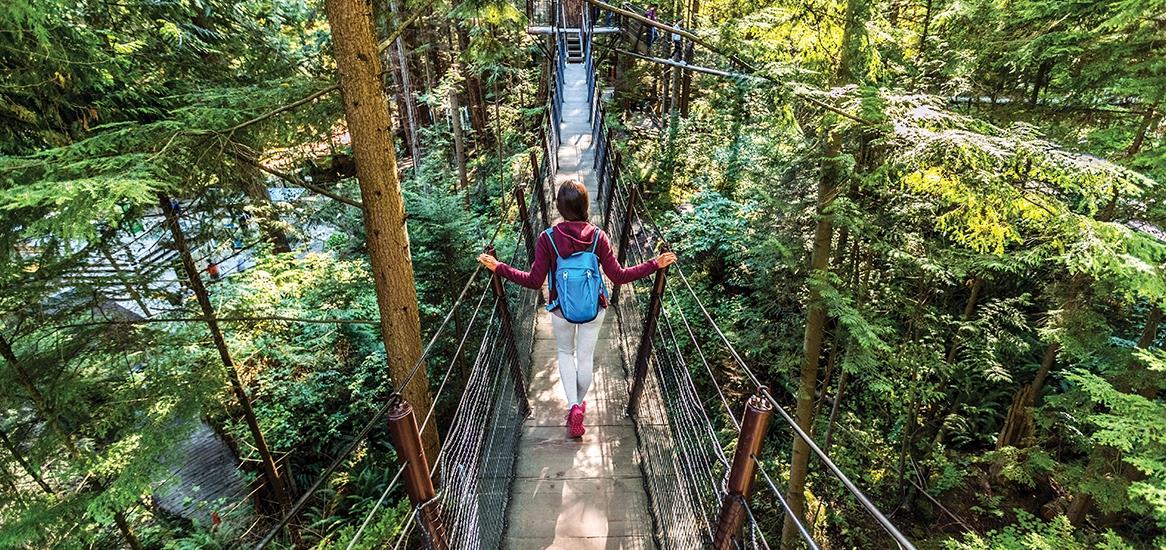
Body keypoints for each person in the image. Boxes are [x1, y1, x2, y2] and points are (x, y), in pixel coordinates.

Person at [478, 180, 677, 438]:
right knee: (585, 359)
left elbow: (534, 281)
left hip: (562, 308)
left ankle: (573, 405)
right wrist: (654, 264)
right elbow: (618, 276)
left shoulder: (547, 238)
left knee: (564, 351)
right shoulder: (598, 237)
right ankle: (578, 406)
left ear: (559, 208)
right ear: (585, 206)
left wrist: (499, 267)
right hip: (594, 308)